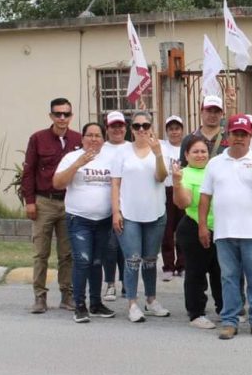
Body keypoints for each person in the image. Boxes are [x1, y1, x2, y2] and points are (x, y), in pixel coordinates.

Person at [199, 114, 252, 340]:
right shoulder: (214, 163)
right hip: (224, 232)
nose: (239, 138)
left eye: (244, 134)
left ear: (250, 135)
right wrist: (202, 225)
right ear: (228, 135)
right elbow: (204, 197)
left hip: (251, 231)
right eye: (235, 134)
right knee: (229, 278)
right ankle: (230, 320)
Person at [22, 97, 82, 314]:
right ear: (51, 116)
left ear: (71, 116)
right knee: (41, 253)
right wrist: (30, 202)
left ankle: (67, 295)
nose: (62, 118)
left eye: (66, 114)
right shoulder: (38, 138)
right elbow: (28, 172)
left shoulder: (78, 139)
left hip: (69, 202)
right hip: (44, 201)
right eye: (58, 114)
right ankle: (39, 297)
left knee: (67, 253)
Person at [52, 122, 116, 323]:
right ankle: (79, 305)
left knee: (97, 262)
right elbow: (58, 183)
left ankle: (96, 304)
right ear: (82, 138)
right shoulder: (71, 157)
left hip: (103, 220)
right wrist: (78, 164)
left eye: (98, 135)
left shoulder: (110, 158)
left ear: (103, 139)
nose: (94, 139)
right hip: (79, 219)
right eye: (90, 135)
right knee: (83, 261)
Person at [111, 111, 170, 323]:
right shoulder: (122, 152)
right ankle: (132, 303)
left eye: (145, 125)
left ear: (151, 127)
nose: (142, 130)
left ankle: (151, 300)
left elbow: (161, 176)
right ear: (131, 129)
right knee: (132, 260)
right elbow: (115, 183)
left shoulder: (159, 148)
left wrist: (158, 154)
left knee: (150, 260)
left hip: (155, 213)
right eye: (137, 126)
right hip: (130, 215)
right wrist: (116, 211)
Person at [172, 138, 223, 329]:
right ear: (186, 155)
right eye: (195, 152)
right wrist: (177, 184)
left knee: (220, 271)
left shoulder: (215, 170)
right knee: (196, 272)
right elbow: (183, 202)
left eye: (203, 151)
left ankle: (224, 308)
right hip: (194, 227)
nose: (200, 155)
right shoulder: (184, 174)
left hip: (219, 227)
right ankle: (196, 313)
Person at [102, 111, 129, 301]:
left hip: (128, 204)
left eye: (120, 125)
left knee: (125, 247)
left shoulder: (132, 148)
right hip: (106, 204)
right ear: (107, 129)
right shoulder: (101, 149)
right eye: (113, 126)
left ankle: (127, 283)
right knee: (110, 246)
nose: (117, 129)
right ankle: (110, 283)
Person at [161, 115, 185, 281]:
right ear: (167, 131)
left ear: (182, 130)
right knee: (167, 229)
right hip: (166, 190)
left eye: (177, 129)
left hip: (183, 189)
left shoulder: (186, 147)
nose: (174, 132)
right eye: (171, 129)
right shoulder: (162, 147)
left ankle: (182, 264)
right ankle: (168, 265)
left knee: (183, 229)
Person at [179, 95, 227, 167]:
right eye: (209, 111)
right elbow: (182, 168)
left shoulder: (228, 138)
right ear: (201, 112)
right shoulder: (188, 139)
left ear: (221, 114)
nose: (212, 115)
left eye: (216, 112)